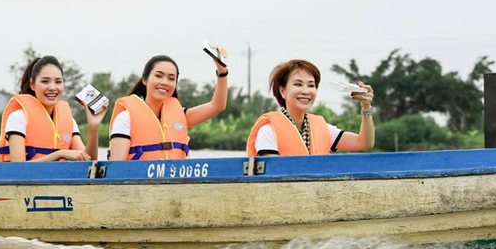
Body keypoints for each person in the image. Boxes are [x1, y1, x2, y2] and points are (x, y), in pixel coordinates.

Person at [109, 49, 229, 160]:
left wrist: (222, 72)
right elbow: (118, 168)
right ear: (145, 80)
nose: (164, 82)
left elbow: (217, 106)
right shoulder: (125, 119)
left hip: (174, 182)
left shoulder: (181, 116)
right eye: (158, 76)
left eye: (171, 78)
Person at [246, 59, 375, 157]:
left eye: (311, 85)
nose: (306, 91)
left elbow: (364, 143)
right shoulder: (268, 131)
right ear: (283, 91)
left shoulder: (323, 128)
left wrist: (366, 106)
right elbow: (272, 179)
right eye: (298, 84)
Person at [0, 56, 106, 162]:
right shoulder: (18, 118)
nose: (53, 88)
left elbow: (89, 161)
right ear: (32, 84)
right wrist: (59, 154)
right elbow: (17, 169)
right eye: (45, 81)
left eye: (58, 82)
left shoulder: (69, 121)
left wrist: (93, 127)